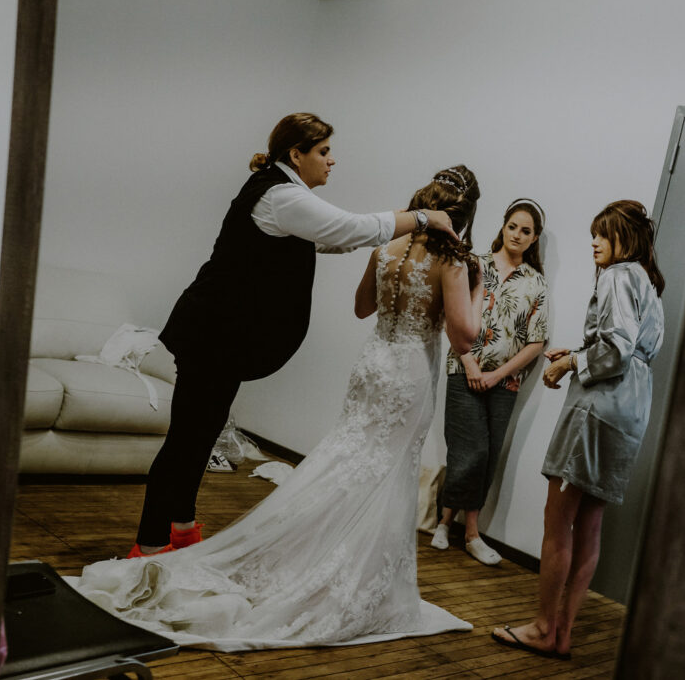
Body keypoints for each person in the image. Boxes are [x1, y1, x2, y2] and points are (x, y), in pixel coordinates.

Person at [70, 166, 485, 651]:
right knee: (385, 474)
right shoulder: (456, 263)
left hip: (373, 365)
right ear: (464, 213)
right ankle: (360, 582)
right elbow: (464, 336)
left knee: (347, 460)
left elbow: (361, 308)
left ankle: (300, 556)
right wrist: (478, 289)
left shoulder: (386, 249)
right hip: (410, 372)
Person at [130, 112, 459, 557]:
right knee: (187, 439)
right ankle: (149, 543)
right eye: (323, 151)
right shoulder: (280, 196)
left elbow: (336, 239)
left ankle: (183, 528)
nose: (331, 161)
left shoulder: (285, 196)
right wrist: (422, 217)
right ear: (296, 154)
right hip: (210, 332)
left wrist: (401, 221)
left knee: (202, 433)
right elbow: (351, 227)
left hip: (219, 336)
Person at [491, 200, 665, 659]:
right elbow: (631, 350)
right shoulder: (647, 282)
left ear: (624, 240)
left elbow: (617, 350)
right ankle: (562, 634)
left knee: (558, 520)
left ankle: (544, 627)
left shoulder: (616, 276)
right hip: (630, 413)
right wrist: (583, 350)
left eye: (602, 235)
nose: (594, 243)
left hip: (597, 411)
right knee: (590, 524)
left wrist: (571, 362)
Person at [431, 198, 550, 565]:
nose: (517, 234)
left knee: (487, 456)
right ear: (503, 227)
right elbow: (450, 318)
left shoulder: (536, 283)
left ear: (534, 239)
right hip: (463, 371)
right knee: (470, 451)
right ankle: (455, 527)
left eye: (525, 231)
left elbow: (536, 341)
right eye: (512, 226)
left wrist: (499, 373)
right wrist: (469, 363)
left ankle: (459, 527)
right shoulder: (473, 266)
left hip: (505, 383)